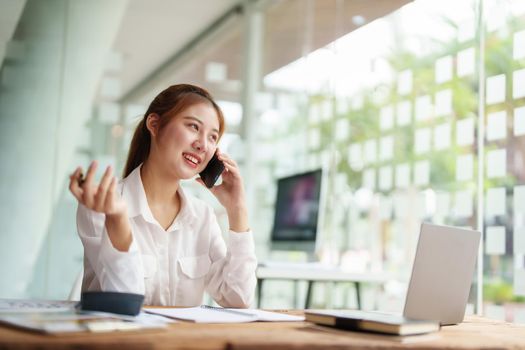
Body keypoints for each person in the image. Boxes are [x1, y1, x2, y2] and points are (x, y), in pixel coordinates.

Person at [68, 84, 257, 307]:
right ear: (155, 125)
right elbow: (124, 304)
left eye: (213, 137)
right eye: (193, 127)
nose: (203, 145)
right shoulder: (104, 204)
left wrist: (238, 210)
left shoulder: (202, 216)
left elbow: (238, 298)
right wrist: (118, 220)